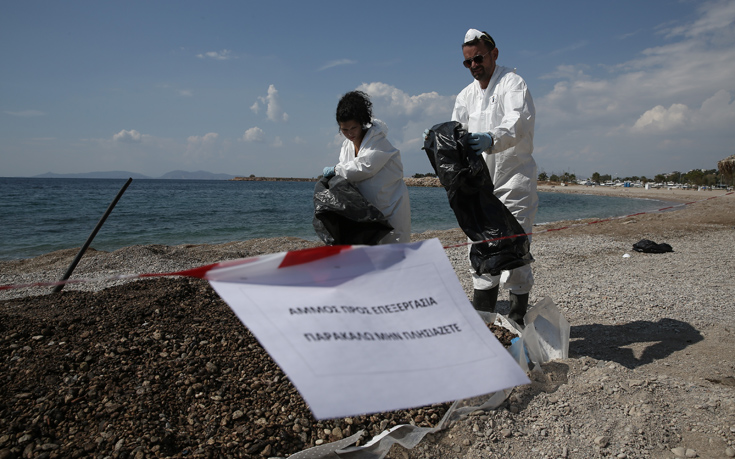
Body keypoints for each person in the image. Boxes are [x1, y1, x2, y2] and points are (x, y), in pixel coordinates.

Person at [451, 28, 538, 324]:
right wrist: (440, 140)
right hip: (479, 187)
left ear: (494, 54)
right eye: (468, 62)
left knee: (515, 251)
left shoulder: (513, 83)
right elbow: (456, 134)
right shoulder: (465, 96)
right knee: (480, 252)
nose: (474, 65)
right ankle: (484, 324)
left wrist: (492, 137)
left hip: (514, 182)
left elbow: (519, 121)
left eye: (479, 58)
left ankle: (517, 321)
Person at [322, 91, 411, 244]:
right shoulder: (346, 146)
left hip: (390, 206)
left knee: (395, 252)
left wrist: (337, 170)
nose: (350, 133)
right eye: (344, 130)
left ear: (361, 122)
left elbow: (364, 167)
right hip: (368, 212)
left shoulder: (378, 141)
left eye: (353, 128)